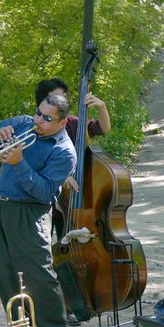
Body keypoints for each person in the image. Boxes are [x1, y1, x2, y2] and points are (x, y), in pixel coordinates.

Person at [0, 93, 77, 327]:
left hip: (31, 212)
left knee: (39, 275)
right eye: (39, 113)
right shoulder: (21, 123)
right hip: (2, 207)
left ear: (62, 123)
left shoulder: (64, 151)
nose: (39, 121)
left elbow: (43, 193)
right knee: (5, 273)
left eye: (47, 118)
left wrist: (19, 163)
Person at [34, 78, 110, 238]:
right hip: (42, 197)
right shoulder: (35, 127)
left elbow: (103, 128)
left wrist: (102, 107)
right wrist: (62, 176)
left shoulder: (73, 123)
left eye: (64, 98)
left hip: (69, 201)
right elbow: (33, 164)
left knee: (65, 241)